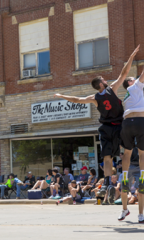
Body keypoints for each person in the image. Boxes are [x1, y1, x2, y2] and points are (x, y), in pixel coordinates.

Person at [54, 46, 139, 198]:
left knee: (107, 157)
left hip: (106, 128)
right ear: (101, 84)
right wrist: (131, 56)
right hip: (119, 126)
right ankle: (124, 179)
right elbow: (124, 73)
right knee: (127, 151)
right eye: (103, 80)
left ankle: (106, 183)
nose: (106, 80)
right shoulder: (111, 89)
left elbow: (77, 100)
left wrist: (62, 95)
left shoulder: (94, 98)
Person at [118, 68, 144, 223]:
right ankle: (142, 173)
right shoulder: (135, 86)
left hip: (127, 123)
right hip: (139, 122)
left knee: (127, 152)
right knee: (142, 153)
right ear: (130, 82)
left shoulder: (127, 96)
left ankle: (126, 174)